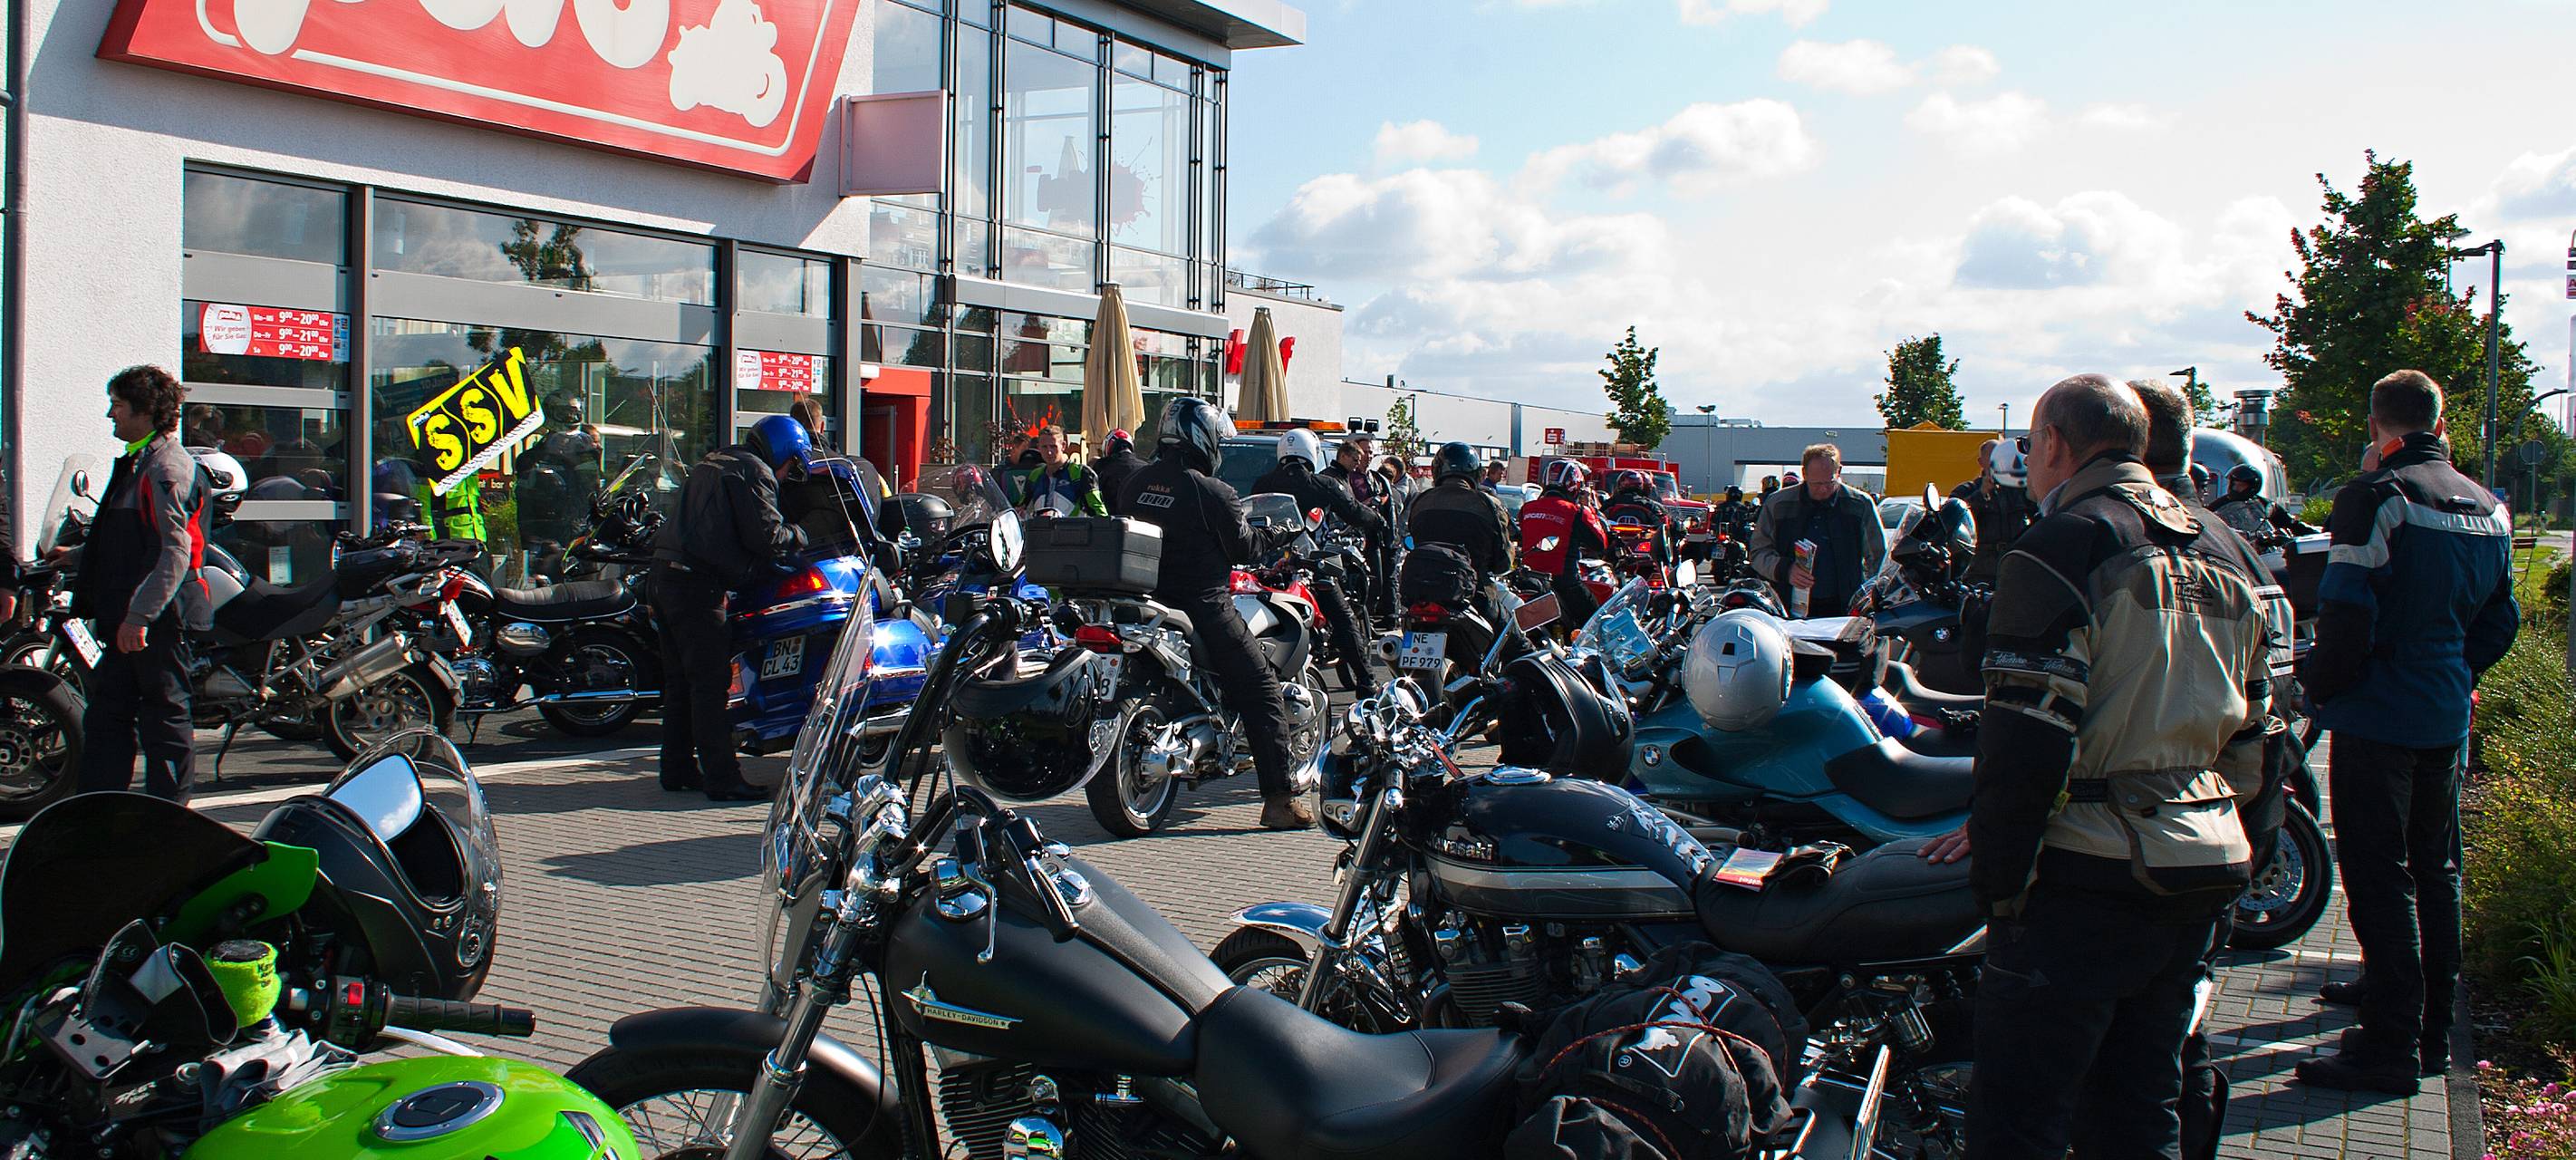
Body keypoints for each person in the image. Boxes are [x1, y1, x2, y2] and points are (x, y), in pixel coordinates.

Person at [1916, 374, 2272, 1160]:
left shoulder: (2062, 545)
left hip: (2085, 874)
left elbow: (2025, 736)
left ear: (2052, 444)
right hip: (2201, 864)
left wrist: (2001, 886)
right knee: (2142, 1110)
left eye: (2029, 444)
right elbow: (2258, 732)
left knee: (2020, 1121)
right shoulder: (2222, 544)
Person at [2294, 370, 2518, 1092]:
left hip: (2376, 712)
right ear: (2440, 424)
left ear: (2374, 426)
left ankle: (2386, 1047)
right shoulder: (2489, 506)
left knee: (2376, 874)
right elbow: (2499, 621)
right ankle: (2426, 1031)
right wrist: (2454, 669)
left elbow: (2345, 615)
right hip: (2443, 712)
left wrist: (2315, 688)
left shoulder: (2375, 498)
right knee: (2436, 871)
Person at [1119, 398, 1308, 830]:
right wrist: (1278, 534)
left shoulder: (1134, 483)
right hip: (1202, 605)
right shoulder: (1211, 491)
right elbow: (1244, 548)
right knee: (1261, 688)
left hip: (1145, 601)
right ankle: (1280, 802)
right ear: (1201, 438)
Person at [649, 415, 814, 803]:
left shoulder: (718, 459)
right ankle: (722, 778)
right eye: (791, 463)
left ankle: (676, 769)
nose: (789, 472)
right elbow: (768, 537)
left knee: (680, 684)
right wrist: (802, 533)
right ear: (782, 451)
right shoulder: (755, 472)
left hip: (663, 577)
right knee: (709, 686)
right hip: (696, 586)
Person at [72, 365, 208, 803]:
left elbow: (174, 550)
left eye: (118, 406)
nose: (110, 415)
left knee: (163, 721)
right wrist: (72, 558)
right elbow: (122, 540)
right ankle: (100, 813)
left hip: (157, 621)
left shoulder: (166, 466)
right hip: (126, 619)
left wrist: (139, 617)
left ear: (146, 412)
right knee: (107, 717)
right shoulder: (140, 459)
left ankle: (168, 822)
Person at [1253, 429, 1387, 696]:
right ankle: (1366, 681)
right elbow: (1355, 512)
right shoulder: (1322, 484)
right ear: (1312, 453)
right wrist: (1378, 519)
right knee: (1344, 617)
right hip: (1305, 565)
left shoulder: (1262, 484)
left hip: (1265, 568)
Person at [1749, 445, 1886, 618]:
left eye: (1829, 483)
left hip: (1844, 611)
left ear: (1839, 472)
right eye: (1816, 484)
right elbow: (1758, 552)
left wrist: (1869, 599)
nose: (1822, 490)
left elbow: (1878, 559)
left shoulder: (1859, 504)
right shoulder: (1778, 504)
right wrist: (1785, 570)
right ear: (1804, 473)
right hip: (1787, 609)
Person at [1519, 459, 1613, 628]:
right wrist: (1589, 507)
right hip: (1563, 581)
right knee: (1595, 623)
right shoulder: (1576, 512)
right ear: (1574, 484)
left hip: (1528, 580)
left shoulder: (1527, 508)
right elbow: (1600, 544)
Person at [1326, 436, 1395, 617]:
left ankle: (1364, 618)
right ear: (1343, 456)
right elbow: (1349, 508)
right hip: (1342, 539)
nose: (1363, 459)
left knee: (1373, 582)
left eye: (1370, 452)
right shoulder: (1335, 478)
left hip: (1367, 537)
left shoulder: (1373, 478)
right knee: (1353, 584)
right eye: (1359, 456)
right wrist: (1368, 509)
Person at [1950, 439, 2034, 585]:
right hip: (1981, 569)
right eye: (1991, 456)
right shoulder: (1967, 490)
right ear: (1981, 462)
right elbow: (1955, 520)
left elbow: (2037, 515)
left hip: (2013, 566)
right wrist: (1981, 495)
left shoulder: (2018, 489)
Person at [1602, 469, 1684, 571]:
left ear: (1619, 485)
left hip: (1612, 551)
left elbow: (1598, 520)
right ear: (1641, 486)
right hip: (1639, 552)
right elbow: (1664, 525)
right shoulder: (1650, 505)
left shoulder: (1609, 504)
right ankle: (1673, 571)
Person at [1018, 425, 1107, 517]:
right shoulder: (1035, 475)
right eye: (1045, 447)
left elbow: (1100, 513)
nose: (1049, 452)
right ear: (1038, 448)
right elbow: (1021, 509)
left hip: (1074, 530)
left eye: (1053, 447)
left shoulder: (1082, 473)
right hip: (1041, 530)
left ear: (1063, 446)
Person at [1090, 428, 1147, 517]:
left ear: (1108, 446)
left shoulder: (1101, 465)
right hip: (1141, 521)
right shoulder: (1145, 467)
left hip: (1110, 522)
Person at [2208, 464, 2271, 538]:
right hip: (2229, 543)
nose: (2235, 488)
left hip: (2256, 543)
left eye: (2240, 485)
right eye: (2233, 484)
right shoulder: (2219, 504)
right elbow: (2207, 519)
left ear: (2252, 487)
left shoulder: (2264, 504)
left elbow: (2286, 522)